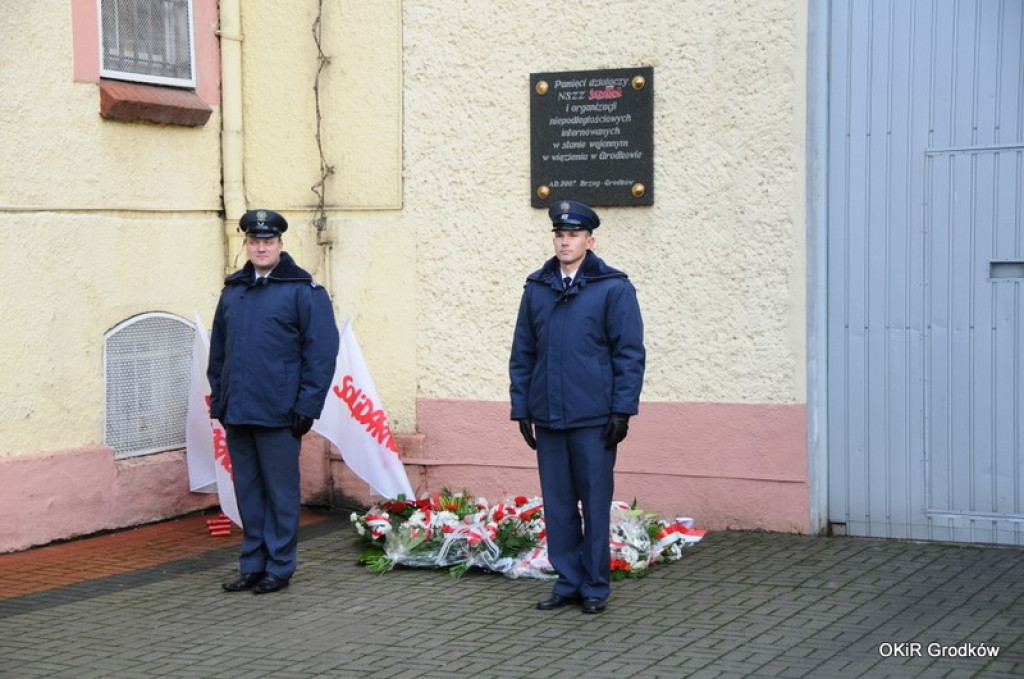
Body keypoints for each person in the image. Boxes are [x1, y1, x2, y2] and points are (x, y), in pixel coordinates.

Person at [509, 199, 646, 614]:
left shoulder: (613, 287)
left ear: (590, 240)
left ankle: (595, 587)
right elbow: (523, 352)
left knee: (595, 502)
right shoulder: (537, 288)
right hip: (548, 416)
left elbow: (629, 354)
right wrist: (522, 408)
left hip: (594, 418)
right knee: (559, 505)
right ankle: (567, 581)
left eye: (573, 235)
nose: (565, 241)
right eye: (560, 234)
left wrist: (622, 410)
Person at [208, 209, 340, 594]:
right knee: (248, 492)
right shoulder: (233, 292)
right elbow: (219, 354)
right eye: (254, 241)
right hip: (239, 410)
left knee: (281, 494)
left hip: (280, 412)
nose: (261, 248)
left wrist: (307, 406)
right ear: (246, 244)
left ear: (280, 244)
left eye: (268, 241)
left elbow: (321, 354)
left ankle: (279, 567)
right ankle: (252, 564)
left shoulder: (303, 291)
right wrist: (220, 400)